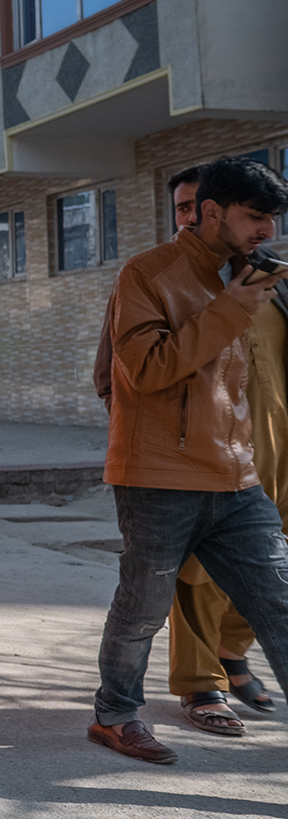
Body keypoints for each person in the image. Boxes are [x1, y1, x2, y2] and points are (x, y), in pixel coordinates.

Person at [90, 156, 288, 765]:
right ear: (210, 212)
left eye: (273, 220)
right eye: (255, 217)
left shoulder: (251, 278)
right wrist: (232, 305)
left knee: (278, 597)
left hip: (237, 476)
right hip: (160, 479)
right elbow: (143, 371)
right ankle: (116, 715)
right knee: (143, 607)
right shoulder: (149, 275)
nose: (267, 232)